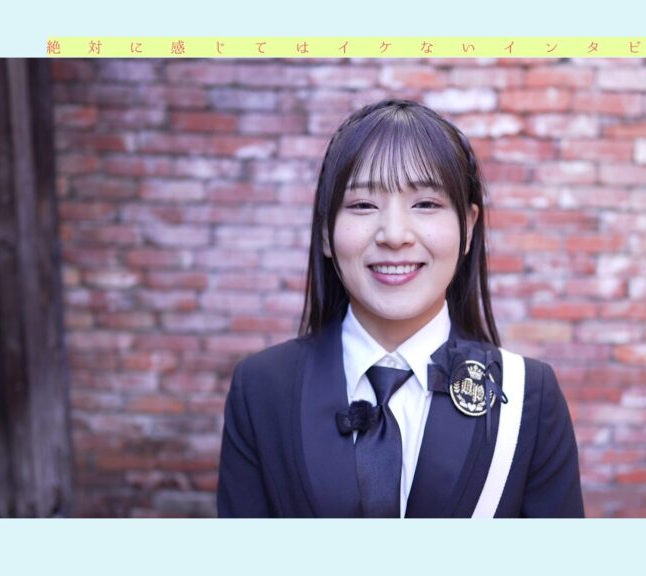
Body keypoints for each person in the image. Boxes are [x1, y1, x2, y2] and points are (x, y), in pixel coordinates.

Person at [217, 98, 583, 518]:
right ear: (325, 232)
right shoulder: (262, 388)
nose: (394, 235)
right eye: (363, 205)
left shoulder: (526, 396)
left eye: (425, 204)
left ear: (468, 227)